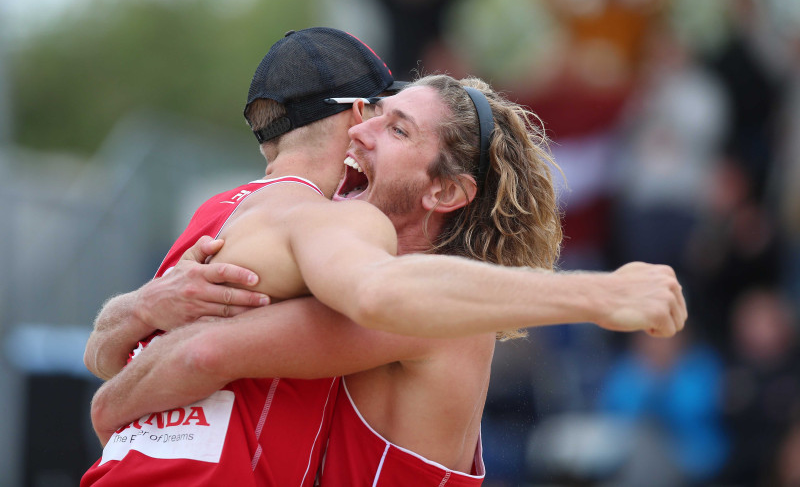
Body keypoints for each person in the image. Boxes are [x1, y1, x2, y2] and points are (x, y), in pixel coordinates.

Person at [84, 68, 686, 485]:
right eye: (374, 115)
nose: (359, 130)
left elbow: (202, 353)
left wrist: (599, 292)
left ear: (445, 191)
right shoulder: (351, 279)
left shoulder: (425, 306)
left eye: (397, 129)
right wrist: (142, 308)